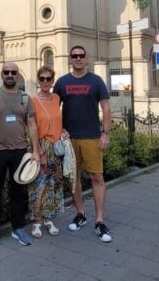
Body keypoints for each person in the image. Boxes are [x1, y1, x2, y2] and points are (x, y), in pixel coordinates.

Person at [0, 62, 41, 253]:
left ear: (18, 75)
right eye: (6, 72)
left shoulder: (25, 98)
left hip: (20, 151)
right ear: (2, 74)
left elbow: (32, 125)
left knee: (19, 192)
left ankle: (18, 228)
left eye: (13, 72)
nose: (10, 75)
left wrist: (36, 151)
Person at [53, 45, 113, 243]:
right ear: (70, 59)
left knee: (97, 177)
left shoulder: (96, 81)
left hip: (92, 137)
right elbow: (54, 109)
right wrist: (58, 130)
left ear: (86, 59)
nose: (78, 58)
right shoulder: (62, 82)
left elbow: (105, 108)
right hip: (69, 140)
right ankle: (80, 214)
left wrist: (105, 133)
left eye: (81, 56)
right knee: (74, 178)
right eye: (74, 56)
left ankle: (99, 220)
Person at [29, 65, 69, 239]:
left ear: (53, 81)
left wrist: (64, 131)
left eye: (48, 79)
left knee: (54, 183)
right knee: (40, 184)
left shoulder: (56, 98)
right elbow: (32, 127)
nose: (45, 81)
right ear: (38, 81)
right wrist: (38, 151)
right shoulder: (33, 101)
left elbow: (57, 120)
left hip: (57, 146)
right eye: (42, 78)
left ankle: (48, 218)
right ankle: (36, 221)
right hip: (43, 147)